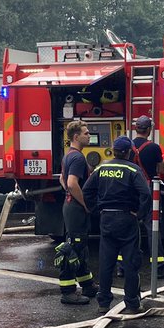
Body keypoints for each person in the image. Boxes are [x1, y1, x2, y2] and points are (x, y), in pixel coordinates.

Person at [83, 136, 152, 315]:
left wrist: (96, 210)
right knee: (130, 262)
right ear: (129, 152)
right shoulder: (132, 169)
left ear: (113, 150)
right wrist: (140, 214)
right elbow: (145, 194)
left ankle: (103, 303)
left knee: (106, 262)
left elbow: (87, 191)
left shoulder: (102, 168)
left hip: (106, 219)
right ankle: (132, 304)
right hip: (127, 219)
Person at [129, 115, 164, 279]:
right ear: (149, 130)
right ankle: (159, 266)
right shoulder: (154, 148)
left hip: (131, 191)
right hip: (149, 191)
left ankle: (123, 266)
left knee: (129, 229)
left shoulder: (128, 146)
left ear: (136, 129)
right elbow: (161, 170)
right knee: (152, 228)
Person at [57, 120, 96, 305]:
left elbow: (62, 180)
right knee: (73, 247)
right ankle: (68, 291)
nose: (89, 136)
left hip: (71, 206)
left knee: (81, 247)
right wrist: (85, 204)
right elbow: (71, 183)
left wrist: (70, 194)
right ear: (76, 137)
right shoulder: (78, 158)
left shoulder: (69, 155)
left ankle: (87, 285)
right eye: (86, 133)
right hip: (76, 209)